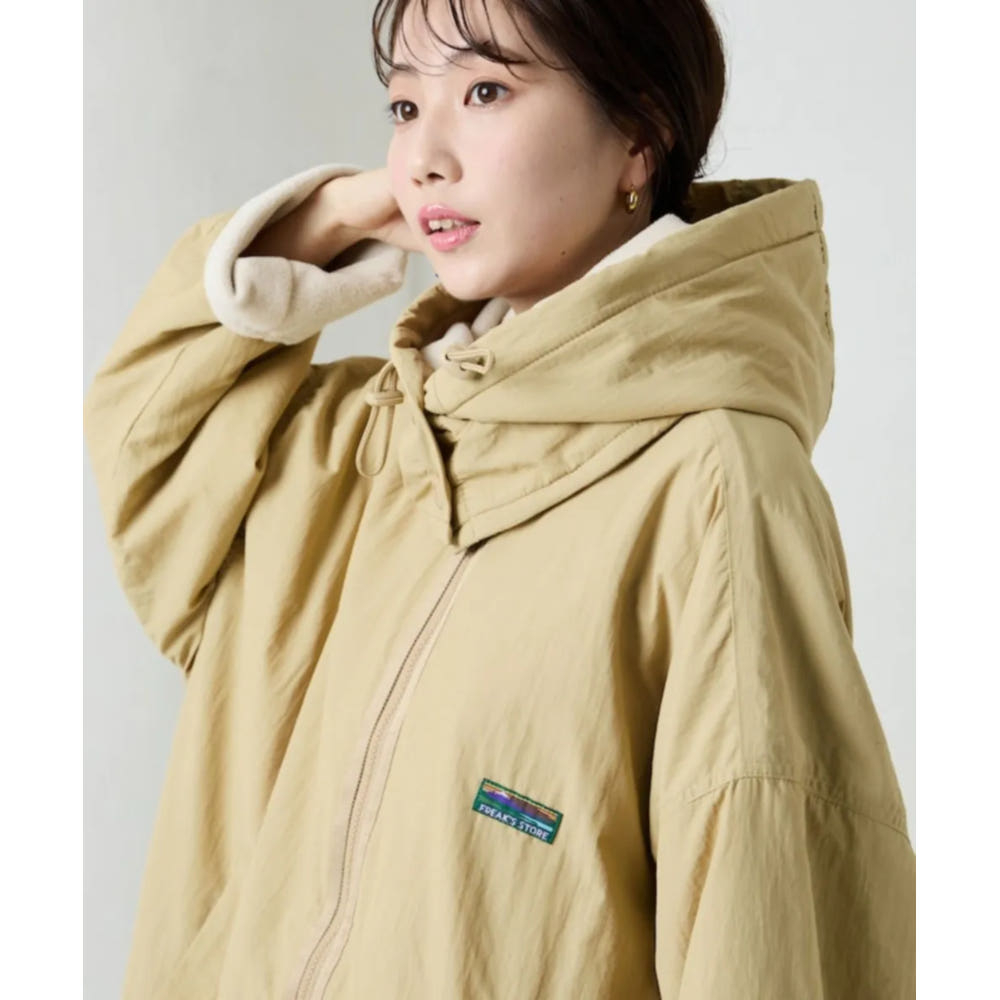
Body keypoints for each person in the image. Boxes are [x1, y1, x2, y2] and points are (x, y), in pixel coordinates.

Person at [83, 0, 916, 997]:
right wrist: (335, 215)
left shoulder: (717, 488)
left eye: (485, 91)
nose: (425, 159)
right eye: (403, 107)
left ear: (639, 136)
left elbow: (766, 915)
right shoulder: (368, 446)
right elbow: (150, 446)